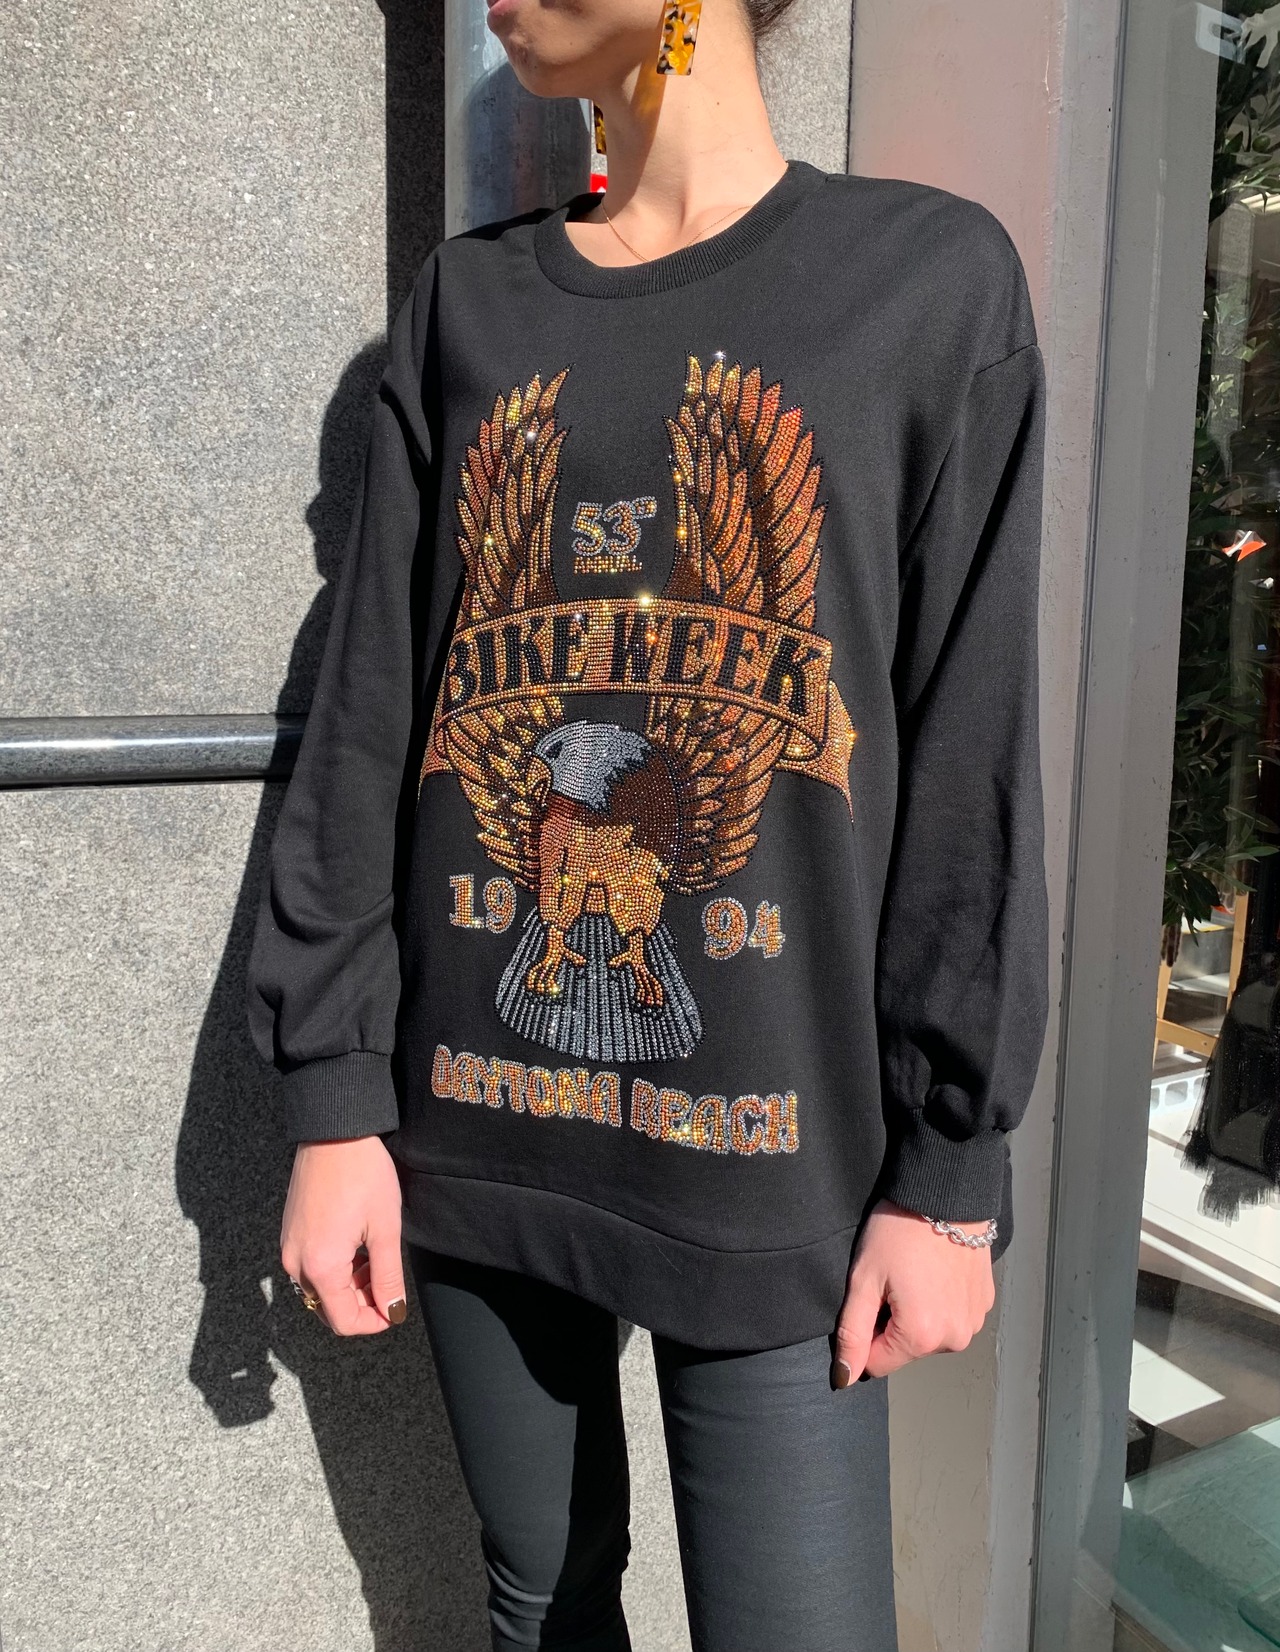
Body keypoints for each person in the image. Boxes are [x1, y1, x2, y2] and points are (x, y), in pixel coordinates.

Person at [246, 0, 1049, 1645]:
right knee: (542, 1598)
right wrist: (333, 1097)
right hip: (480, 1123)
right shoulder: (470, 302)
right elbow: (373, 714)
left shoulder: (924, 282)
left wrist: (950, 1168)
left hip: (780, 1166)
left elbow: (970, 752)